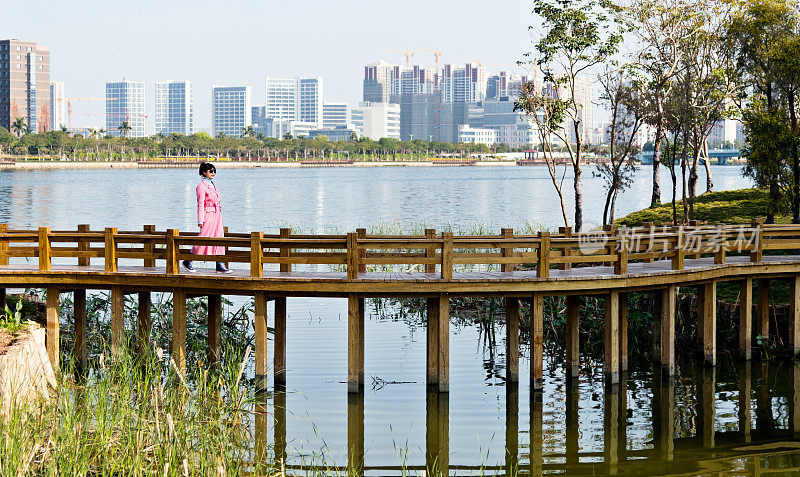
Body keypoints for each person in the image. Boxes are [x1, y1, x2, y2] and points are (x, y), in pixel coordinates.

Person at [182, 163, 232, 273]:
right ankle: (188, 260)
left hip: (217, 215)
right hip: (208, 215)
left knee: (219, 238)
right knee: (203, 238)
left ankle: (219, 264)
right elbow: (200, 204)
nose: (213, 173)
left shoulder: (213, 184)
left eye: (214, 171)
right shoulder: (201, 186)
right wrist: (200, 220)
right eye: (211, 171)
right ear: (204, 172)